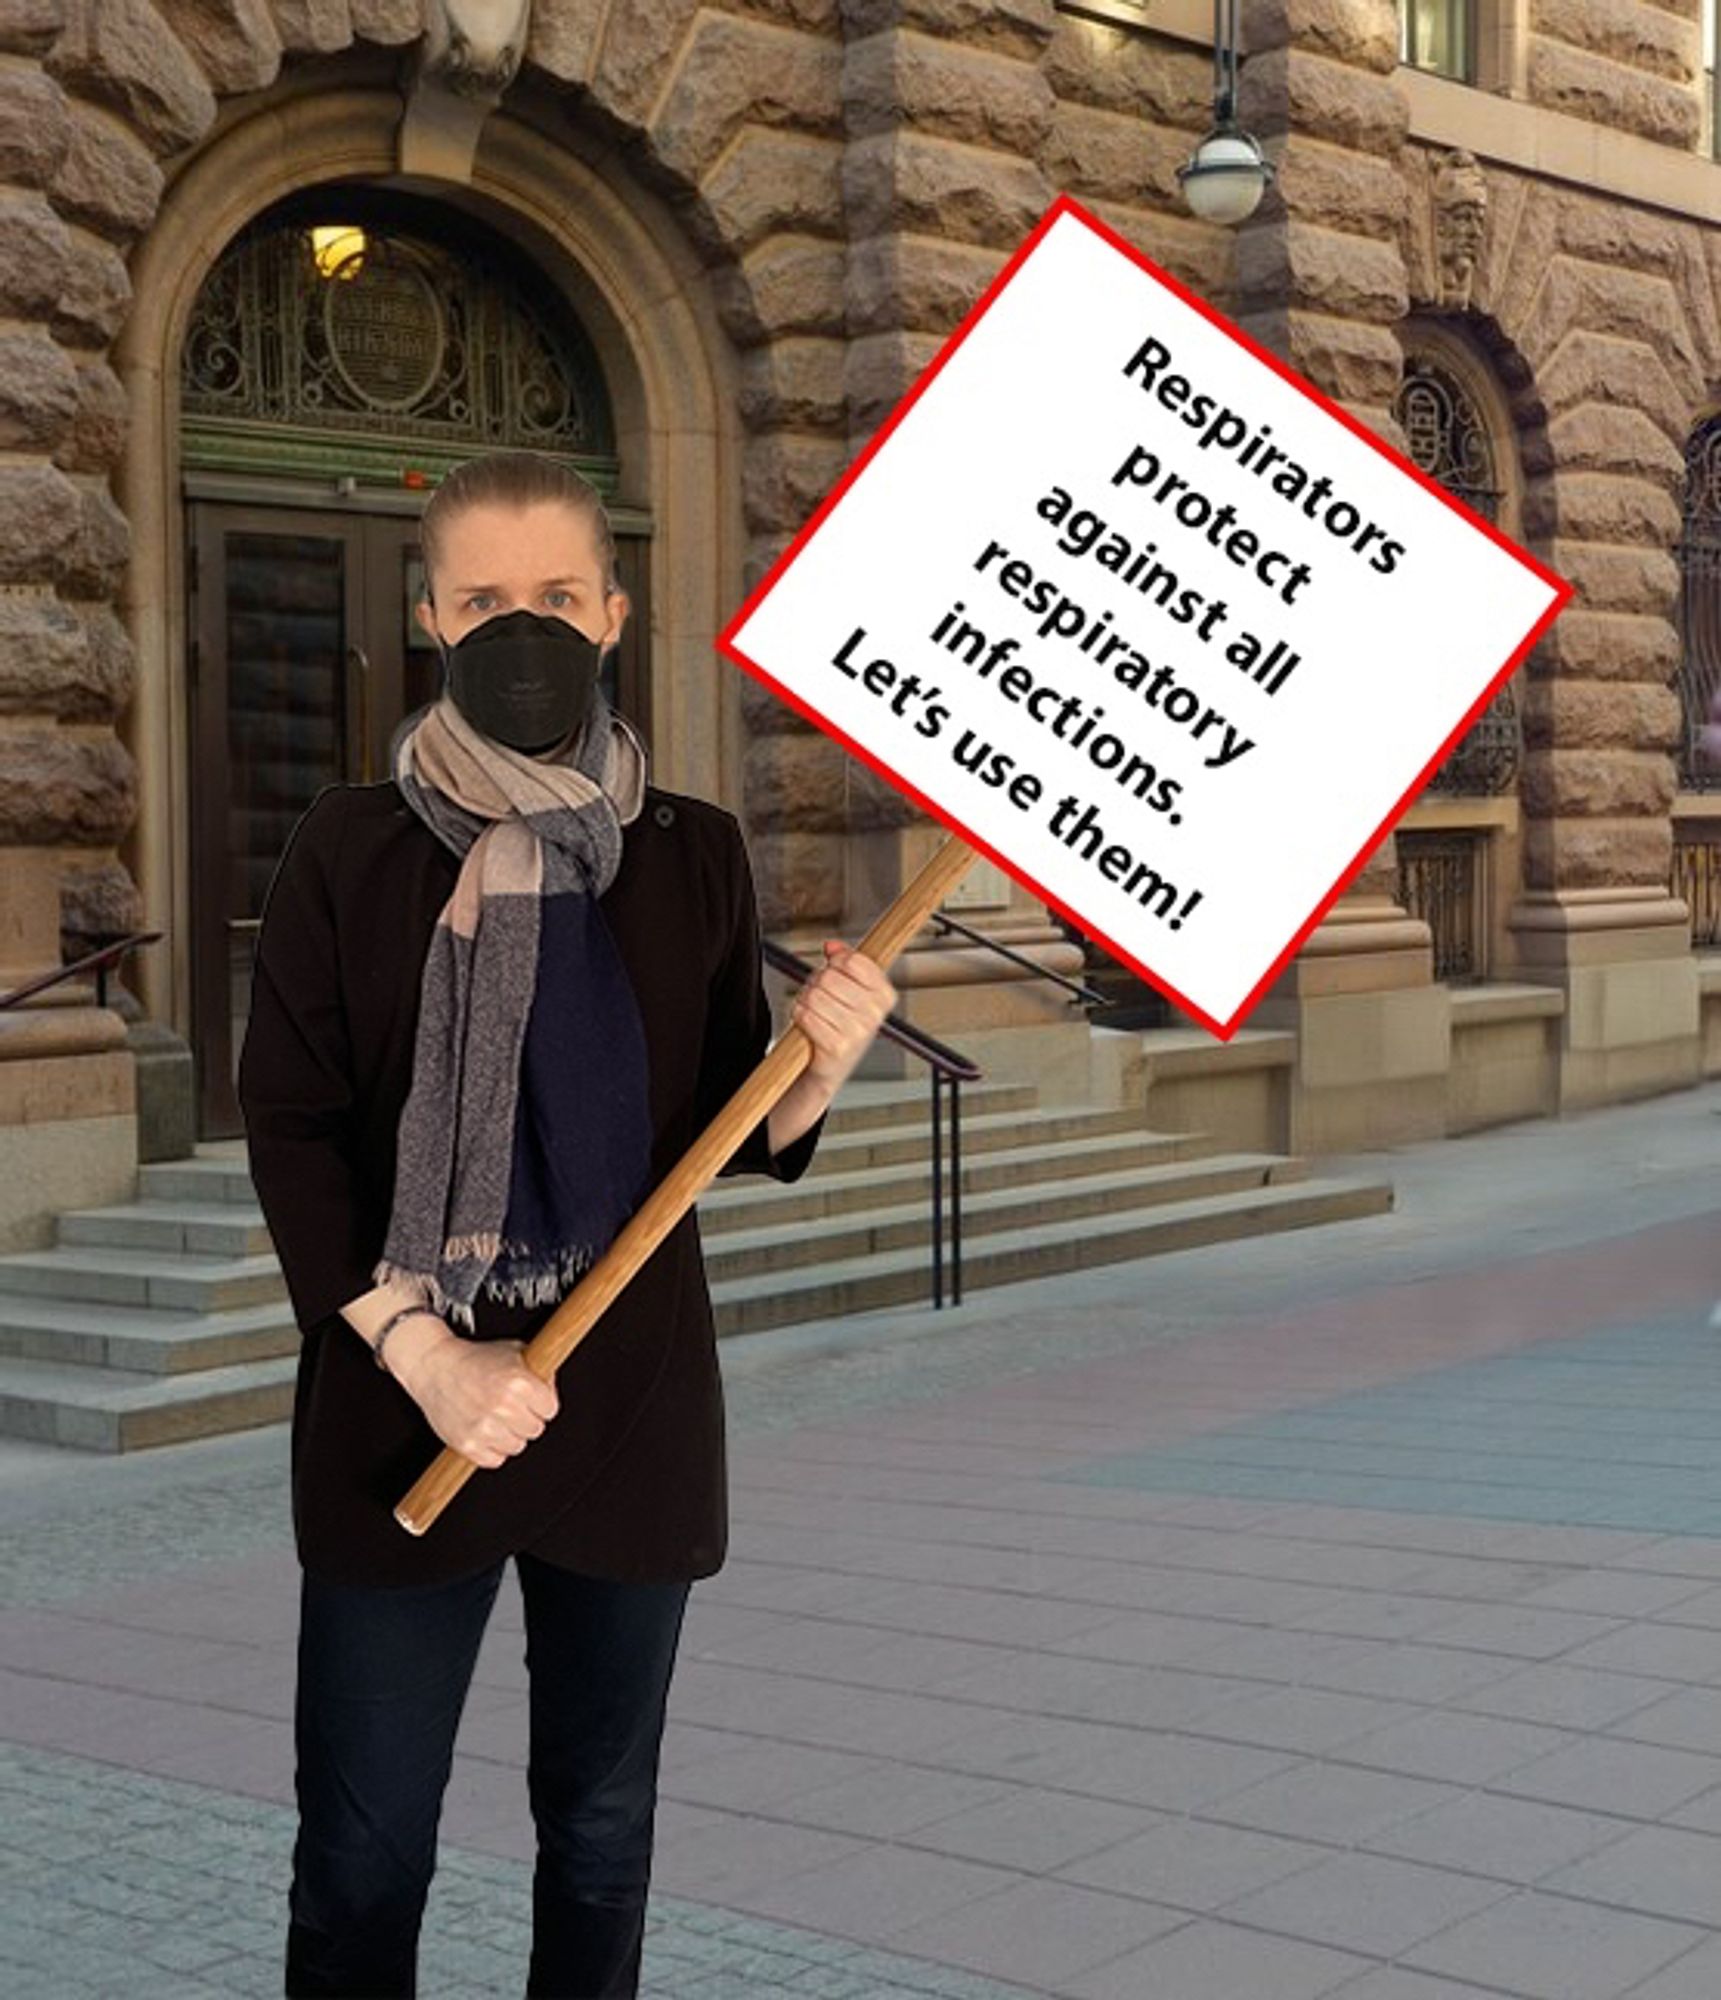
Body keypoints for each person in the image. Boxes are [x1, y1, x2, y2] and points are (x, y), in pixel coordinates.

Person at [236, 450, 898, 1998]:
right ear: (426, 618)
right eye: (480, 601)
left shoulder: (691, 853)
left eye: (550, 597)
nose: (516, 630)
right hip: (403, 1426)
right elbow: (294, 1135)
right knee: (362, 1849)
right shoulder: (346, 851)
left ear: (610, 610)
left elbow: (724, 1137)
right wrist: (427, 1357)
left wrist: (822, 1066)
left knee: (600, 1831)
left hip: (629, 1410)